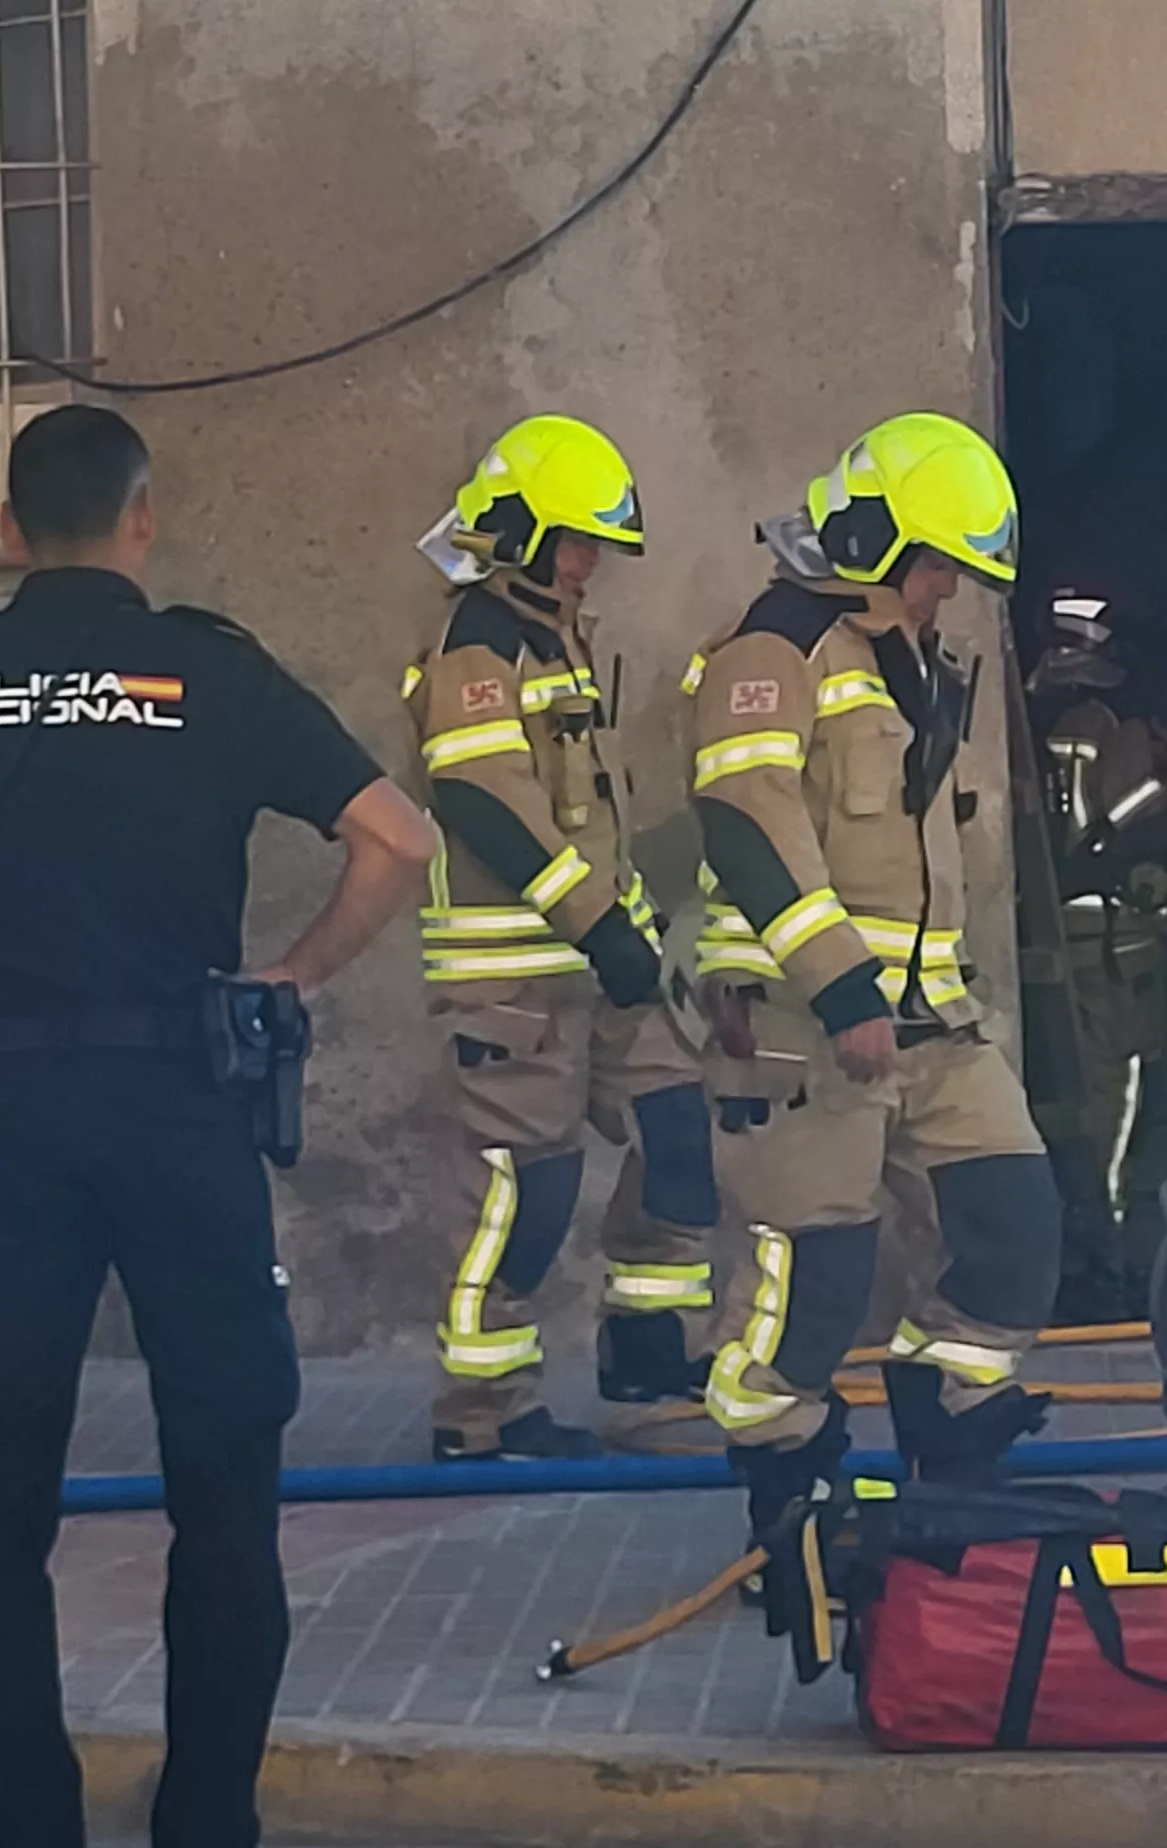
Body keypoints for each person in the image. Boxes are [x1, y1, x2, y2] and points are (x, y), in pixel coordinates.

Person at [0, 407, 435, 1848]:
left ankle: (24, 1820)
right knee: (226, 1490)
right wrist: (293, 970)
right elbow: (397, 838)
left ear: (5, 530)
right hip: (183, 1117)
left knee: (0, 1501)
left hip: (9, 1125)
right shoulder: (211, 673)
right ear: (143, 519)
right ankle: (206, 1818)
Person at [687, 412, 1067, 1551]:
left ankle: (951, 1456)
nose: (945, 591)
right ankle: (791, 1521)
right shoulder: (774, 648)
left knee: (1013, 1226)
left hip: (934, 1027)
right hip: (806, 1030)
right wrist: (844, 991)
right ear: (878, 542)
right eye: (937, 566)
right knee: (812, 1289)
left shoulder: (909, 660)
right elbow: (744, 821)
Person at [401, 415, 719, 1459]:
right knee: (526, 1202)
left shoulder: (557, 638)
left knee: (682, 1130)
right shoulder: (474, 644)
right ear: (520, 533)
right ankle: (484, 1414)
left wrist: (625, 931)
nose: (588, 566)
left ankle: (645, 1345)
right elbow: (482, 797)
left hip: (601, 960)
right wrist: (600, 925)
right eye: (573, 542)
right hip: (515, 983)